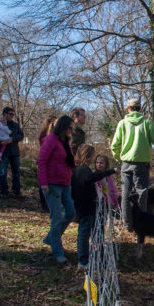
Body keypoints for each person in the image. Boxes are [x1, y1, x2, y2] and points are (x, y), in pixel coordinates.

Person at [110, 98, 154, 230]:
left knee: (125, 194)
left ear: (128, 109)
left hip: (126, 163)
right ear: (140, 109)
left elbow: (114, 146)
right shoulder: (147, 123)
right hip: (142, 164)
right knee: (142, 193)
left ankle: (128, 224)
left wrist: (120, 159)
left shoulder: (122, 123)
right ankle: (141, 225)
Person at [71, 144, 120, 269]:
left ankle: (92, 255)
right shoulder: (83, 170)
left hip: (85, 207)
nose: (94, 160)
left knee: (90, 231)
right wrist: (111, 171)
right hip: (85, 207)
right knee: (84, 233)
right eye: (93, 156)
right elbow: (93, 177)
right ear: (88, 156)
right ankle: (83, 261)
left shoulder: (80, 170)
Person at [38, 115, 76, 264]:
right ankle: (58, 253)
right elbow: (42, 162)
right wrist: (44, 183)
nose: (71, 131)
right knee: (56, 218)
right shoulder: (50, 140)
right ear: (63, 127)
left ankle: (50, 239)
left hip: (66, 183)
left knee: (71, 212)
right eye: (69, 128)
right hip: (52, 184)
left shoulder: (65, 142)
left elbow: (68, 162)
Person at [0, 107, 24, 199]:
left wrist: (12, 139)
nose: (12, 116)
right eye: (10, 114)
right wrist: (0, 143)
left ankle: (16, 191)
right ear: (4, 114)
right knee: (3, 172)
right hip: (3, 153)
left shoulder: (16, 125)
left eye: (13, 114)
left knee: (16, 172)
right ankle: (4, 192)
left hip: (14, 152)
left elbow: (21, 136)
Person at [37, 115, 58, 212]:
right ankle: (44, 205)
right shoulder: (44, 135)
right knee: (43, 183)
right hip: (45, 160)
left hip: (54, 163)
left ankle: (50, 205)